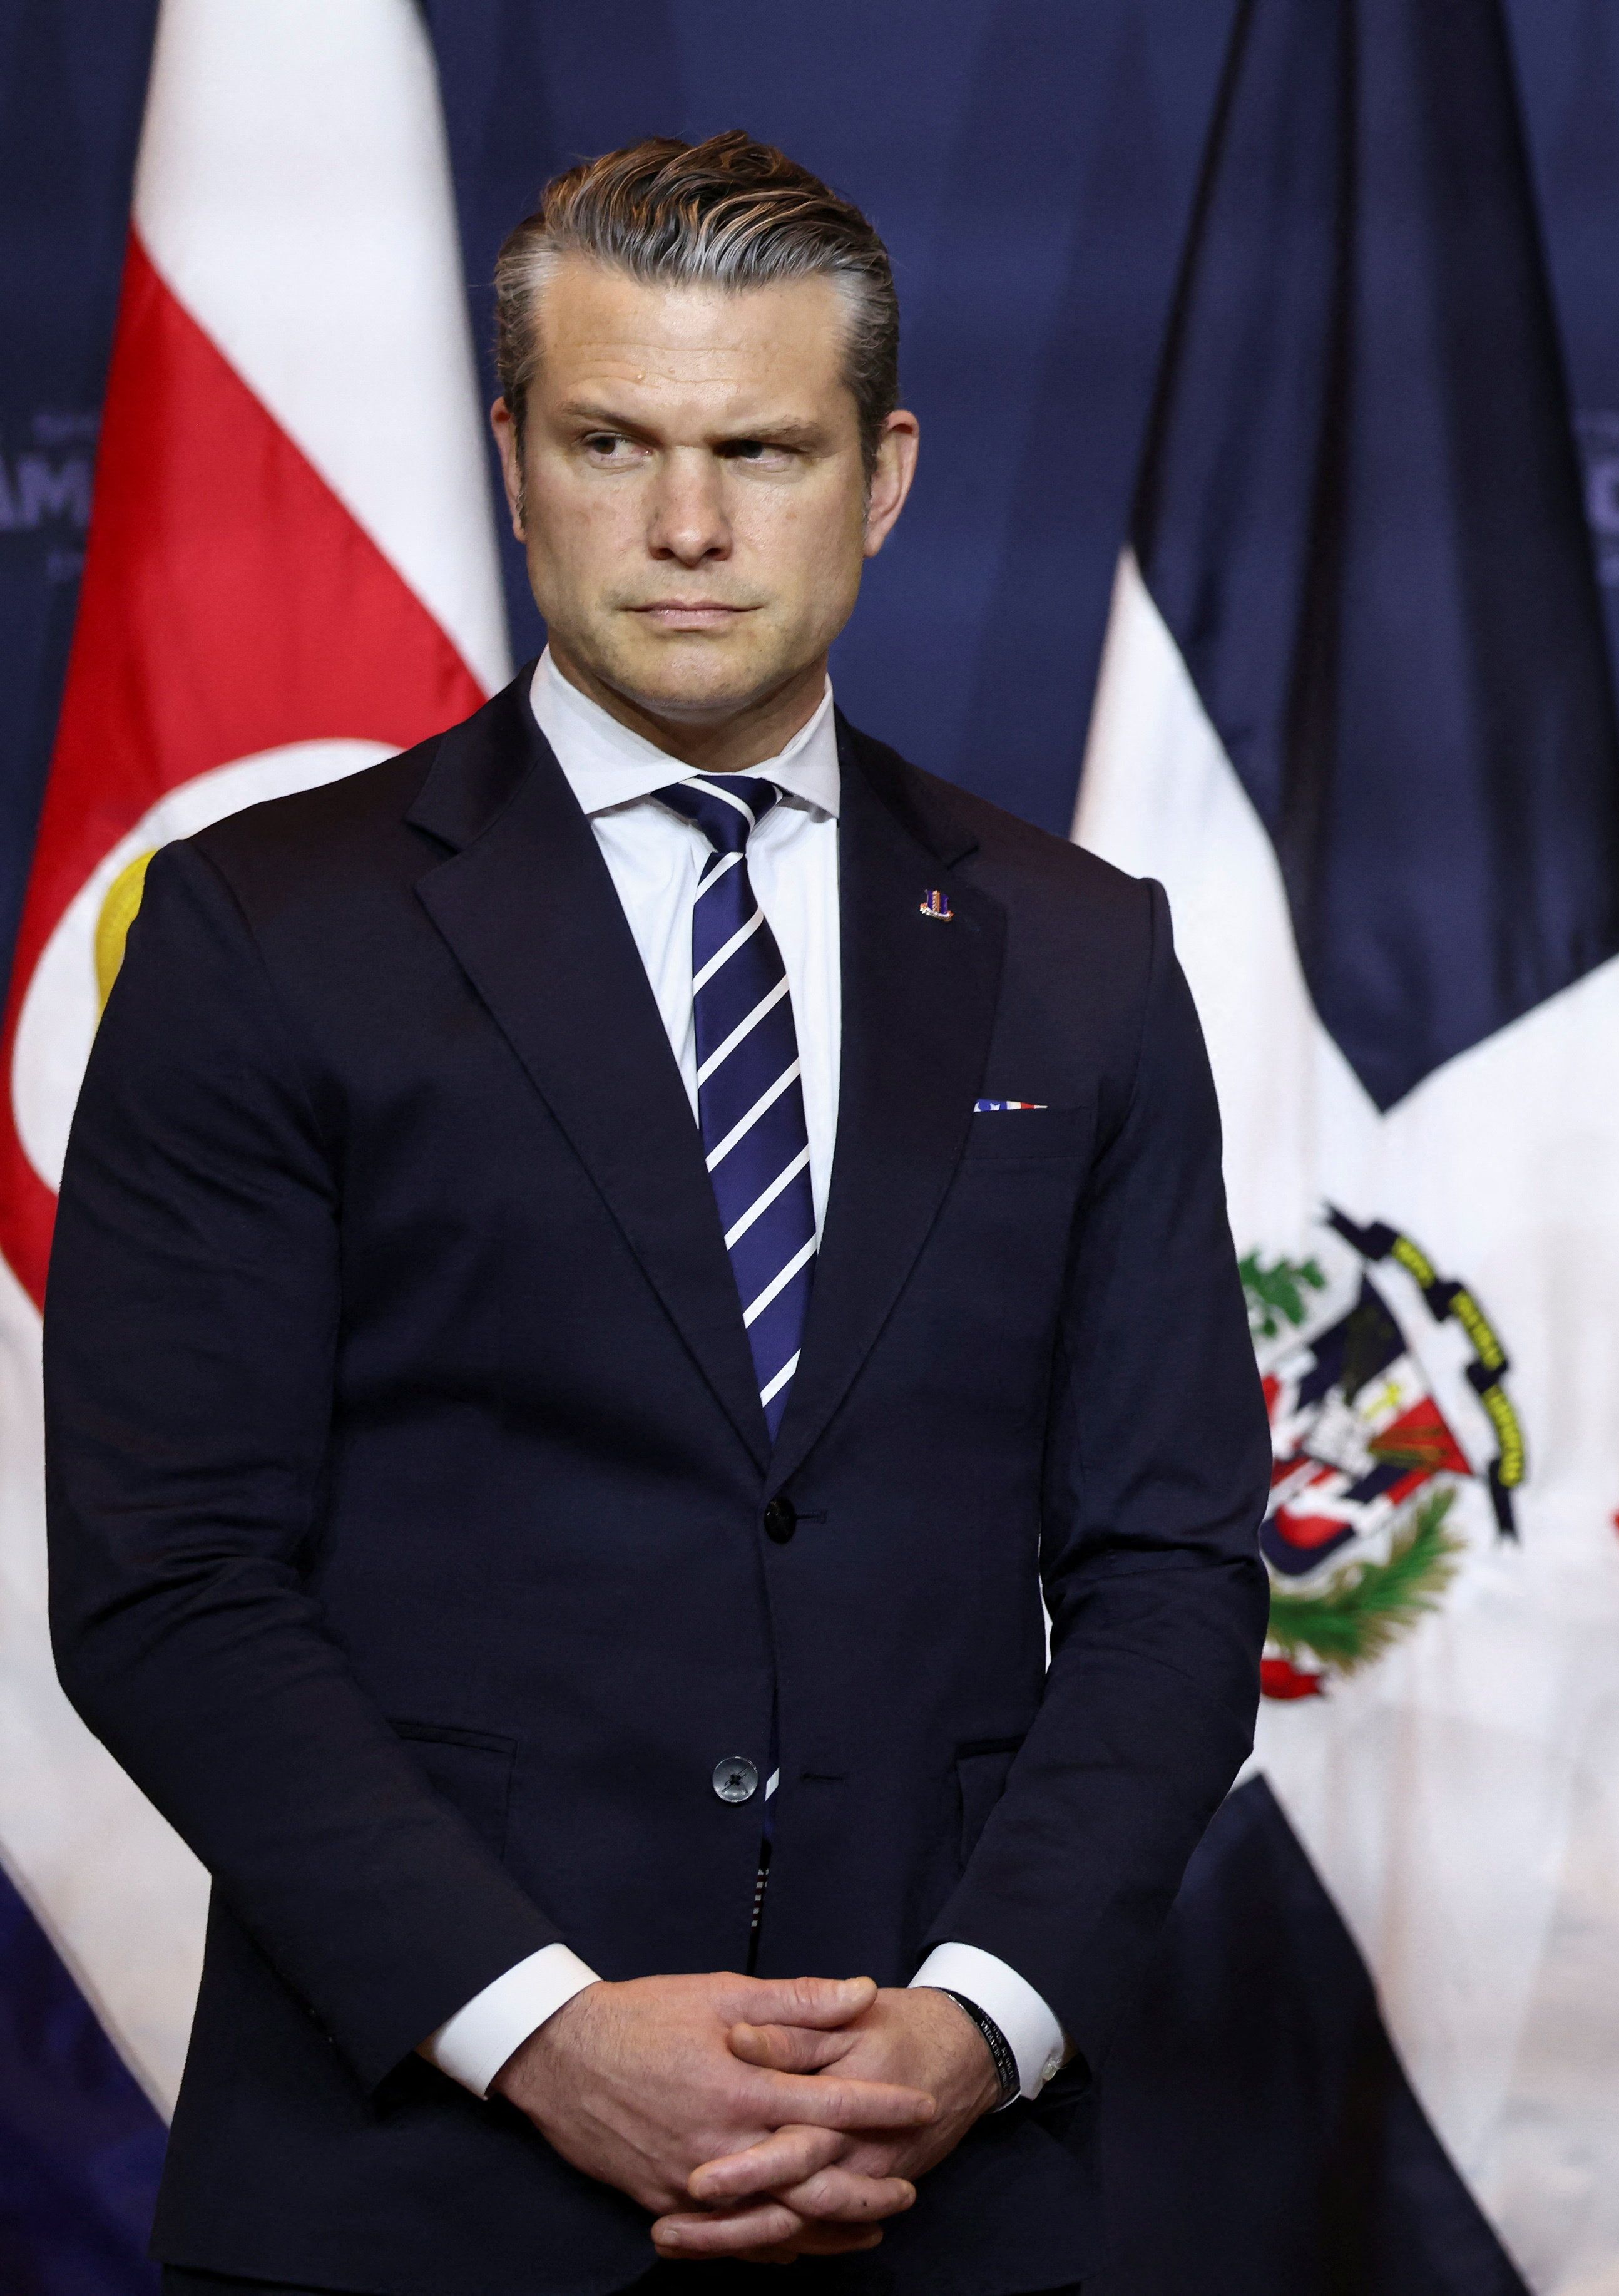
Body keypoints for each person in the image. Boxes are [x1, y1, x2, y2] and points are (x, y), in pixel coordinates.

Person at [48, 132, 1267, 2293]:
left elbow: (1169, 1567)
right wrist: (538, 2030)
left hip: (935, 2193)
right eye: (613, 443)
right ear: (515, 459)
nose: (688, 525)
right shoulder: (262, 931)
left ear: (881, 476)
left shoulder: (1082, 950)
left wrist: (977, 2023)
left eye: (762, 451)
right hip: (412, 2200)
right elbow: (170, 1576)